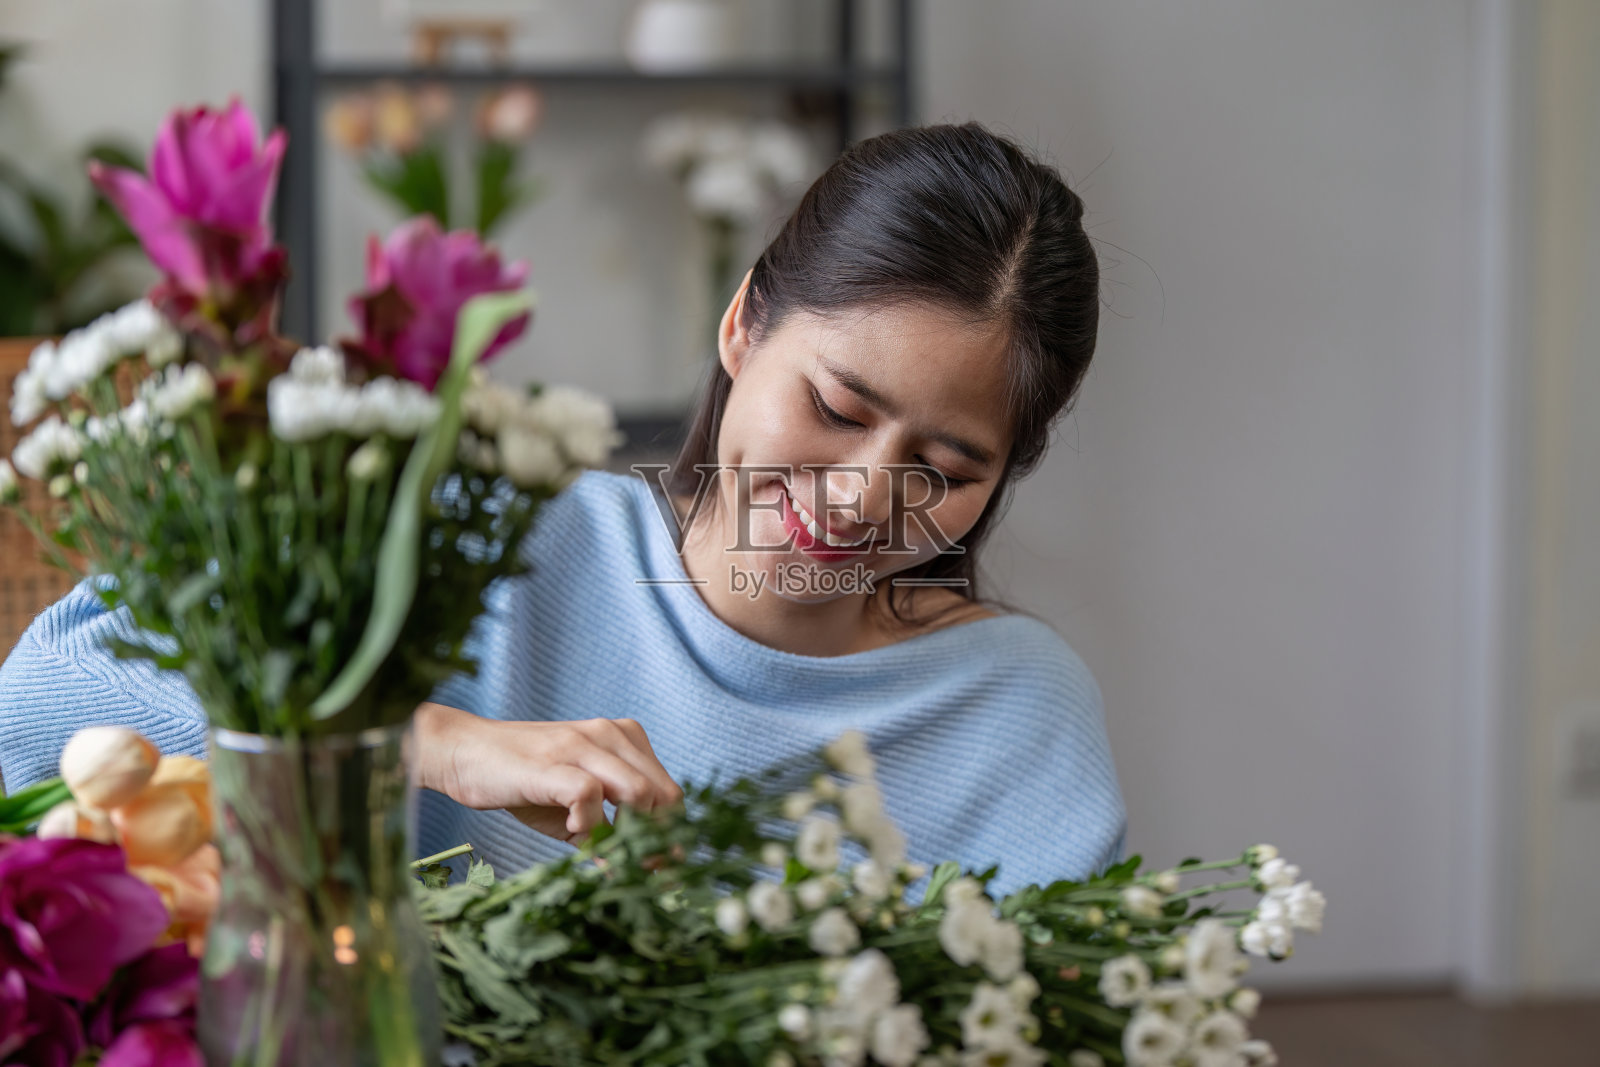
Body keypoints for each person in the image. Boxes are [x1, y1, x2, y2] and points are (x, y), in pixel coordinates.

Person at [0, 122, 1124, 897]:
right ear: (742, 327)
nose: (860, 495)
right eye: (834, 405)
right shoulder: (475, 532)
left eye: (949, 463)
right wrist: (425, 741)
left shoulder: (1014, 710)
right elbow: (40, 709)